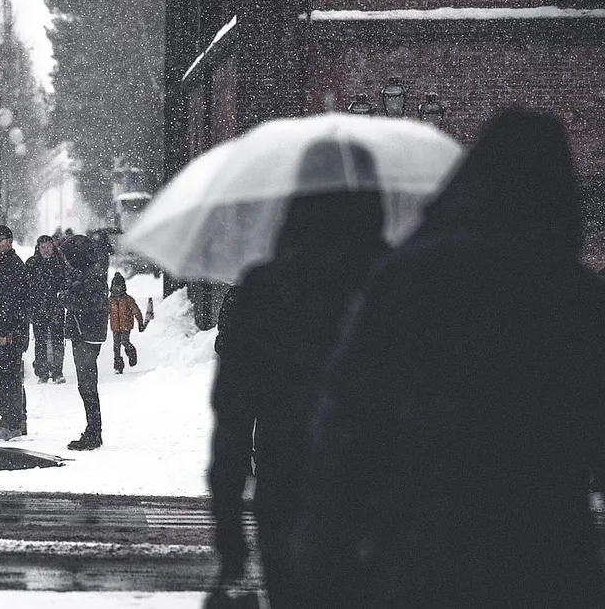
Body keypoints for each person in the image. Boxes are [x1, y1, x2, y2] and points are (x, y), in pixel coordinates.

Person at [303, 109, 605, 608]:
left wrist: (327, 550)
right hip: (544, 556)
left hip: (421, 549)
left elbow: (349, 422)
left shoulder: (407, 282)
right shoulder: (577, 299)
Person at [207, 140, 390, 609]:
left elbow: (232, 414)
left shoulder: (265, 288)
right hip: (375, 491)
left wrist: (229, 534)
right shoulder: (394, 283)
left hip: (287, 481)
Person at [57, 234, 110, 451]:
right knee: (86, 386)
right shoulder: (86, 273)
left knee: (88, 386)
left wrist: (66, 298)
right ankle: (92, 430)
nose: (66, 261)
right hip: (84, 334)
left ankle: (93, 432)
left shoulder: (91, 276)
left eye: (69, 256)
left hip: (87, 336)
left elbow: (92, 305)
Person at [0, 225, 30, 441]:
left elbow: (12, 305)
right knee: (6, 377)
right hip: (5, 332)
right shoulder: (4, 266)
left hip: (11, 334)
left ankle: (12, 424)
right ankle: (8, 420)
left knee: (9, 378)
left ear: (9, 241)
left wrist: (3, 331)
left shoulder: (13, 267)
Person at [26, 234, 69, 384]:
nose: (46, 250)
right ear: (38, 248)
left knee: (58, 340)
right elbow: (26, 287)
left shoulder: (60, 263)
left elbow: (67, 283)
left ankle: (57, 371)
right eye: (43, 247)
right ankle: (42, 372)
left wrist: (62, 297)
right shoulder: (32, 264)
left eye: (49, 246)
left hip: (56, 307)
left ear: (53, 247)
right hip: (38, 308)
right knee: (40, 341)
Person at [107, 272, 145, 374]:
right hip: (115, 326)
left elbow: (136, 311)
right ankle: (118, 367)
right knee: (116, 347)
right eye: (115, 286)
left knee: (124, 341)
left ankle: (131, 351)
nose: (117, 288)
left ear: (123, 286)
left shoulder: (128, 300)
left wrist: (140, 322)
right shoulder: (110, 300)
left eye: (119, 286)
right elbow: (106, 312)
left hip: (126, 325)